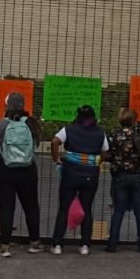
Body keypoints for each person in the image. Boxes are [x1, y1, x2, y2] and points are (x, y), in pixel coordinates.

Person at [0, 93, 45, 258]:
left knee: (6, 207)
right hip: (27, 171)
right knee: (31, 206)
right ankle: (35, 243)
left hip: (3, 170)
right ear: (23, 106)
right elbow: (36, 144)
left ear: (6, 106)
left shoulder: (0, 125)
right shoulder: (32, 124)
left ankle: (5, 246)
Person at [50, 105, 108, 256]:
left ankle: (57, 244)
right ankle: (85, 245)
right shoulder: (100, 132)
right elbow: (105, 151)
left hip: (70, 172)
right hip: (90, 173)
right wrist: (96, 162)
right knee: (86, 208)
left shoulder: (69, 129)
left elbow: (55, 141)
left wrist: (56, 159)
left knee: (64, 207)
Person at [106, 108, 140, 254]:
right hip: (139, 176)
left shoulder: (114, 134)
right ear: (134, 120)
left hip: (120, 176)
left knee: (118, 211)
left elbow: (109, 153)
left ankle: (112, 244)